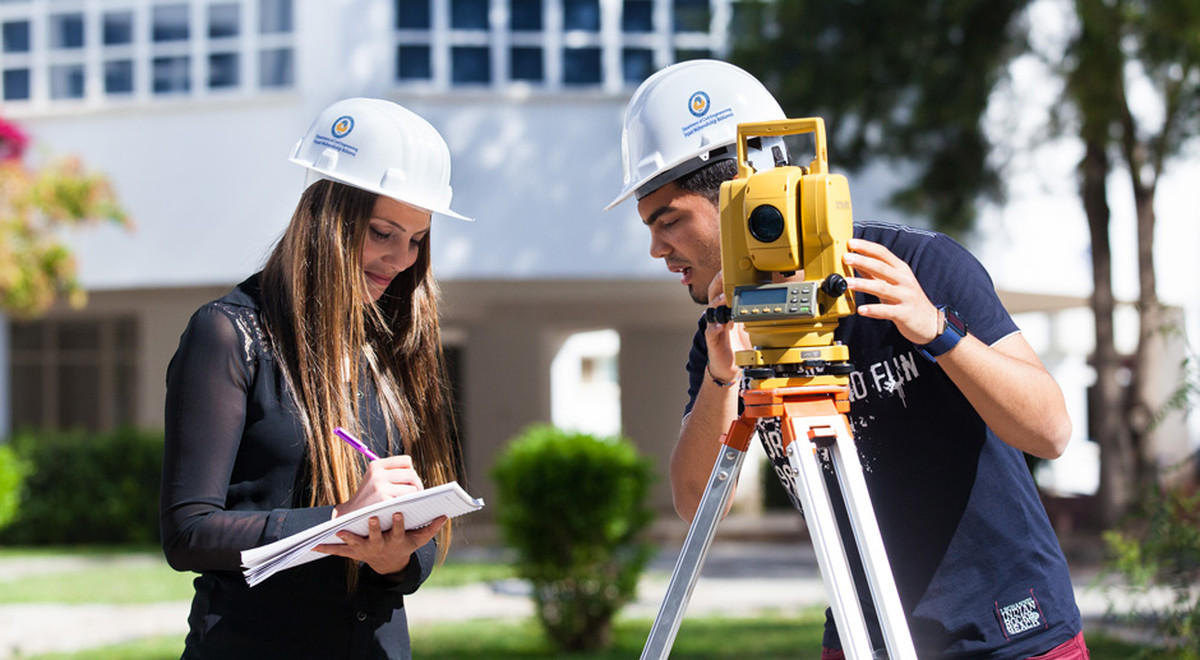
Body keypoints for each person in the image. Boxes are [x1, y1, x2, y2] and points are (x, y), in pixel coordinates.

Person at [607, 60, 1090, 659]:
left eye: (669, 221)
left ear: (737, 198)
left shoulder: (913, 268)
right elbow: (694, 501)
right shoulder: (724, 335)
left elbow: (1050, 431)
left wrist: (936, 331)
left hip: (1010, 631)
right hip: (866, 630)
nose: (657, 249)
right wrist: (721, 378)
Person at [160, 97, 471, 659]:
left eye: (416, 239)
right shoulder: (229, 334)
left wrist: (393, 556)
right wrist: (337, 522)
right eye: (383, 232)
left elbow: (413, 558)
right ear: (326, 216)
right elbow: (189, 533)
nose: (402, 258)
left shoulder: (395, 341)